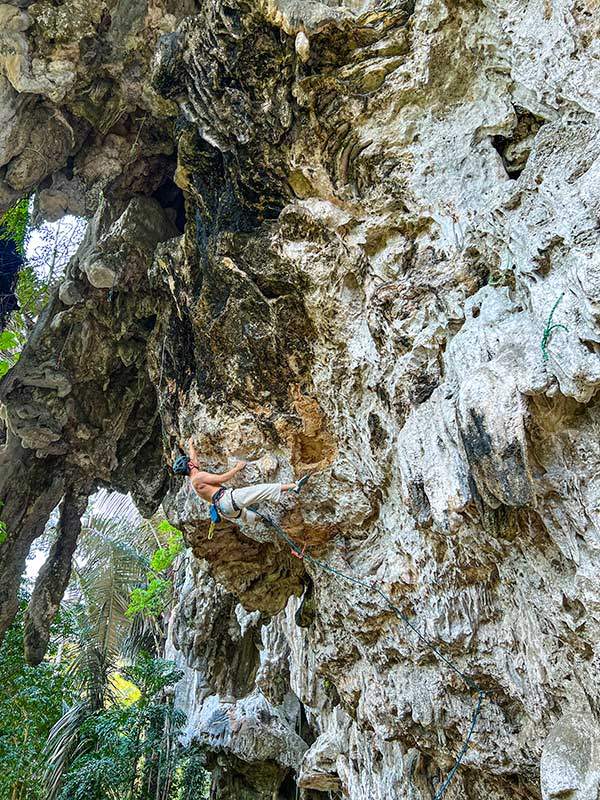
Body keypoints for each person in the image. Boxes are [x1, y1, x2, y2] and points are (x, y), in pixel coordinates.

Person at [173, 438, 308, 525]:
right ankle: (294, 486)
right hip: (226, 499)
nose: (193, 461)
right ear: (189, 466)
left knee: (245, 515)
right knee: (260, 490)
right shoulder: (199, 477)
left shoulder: (193, 480)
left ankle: (263, 520)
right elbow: (222, 478)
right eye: (190, 462)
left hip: (224, 510)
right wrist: (237, 468)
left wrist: (191, 444)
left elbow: (193, 459)